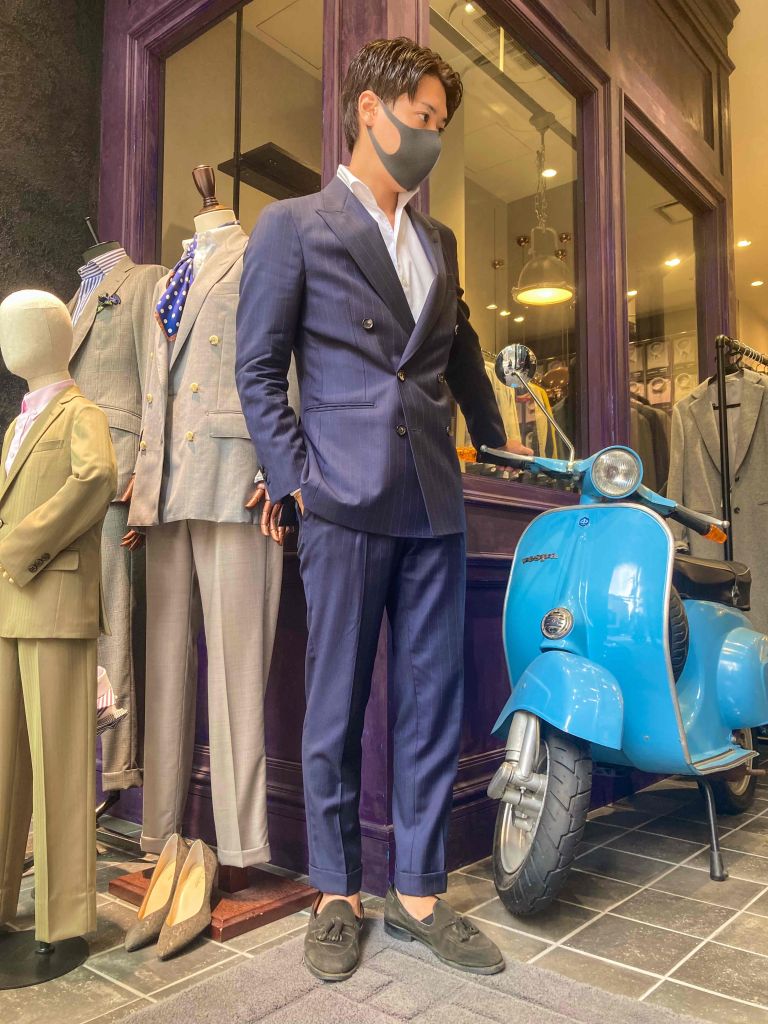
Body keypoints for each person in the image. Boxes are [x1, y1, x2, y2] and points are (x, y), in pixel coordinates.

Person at [236, 36, 530, 982]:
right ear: (371, 109)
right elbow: (257, 370)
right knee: (335, 703)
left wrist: (500, 443)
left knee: (432, 703)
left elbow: (461, 353)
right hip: (344, 496)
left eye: (440, 123)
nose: (432, 136)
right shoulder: (294, 224)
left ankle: (419, 894)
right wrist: (296, 482)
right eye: (422, 117)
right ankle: (336, 892)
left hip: (434, 499)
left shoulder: (439, 243)